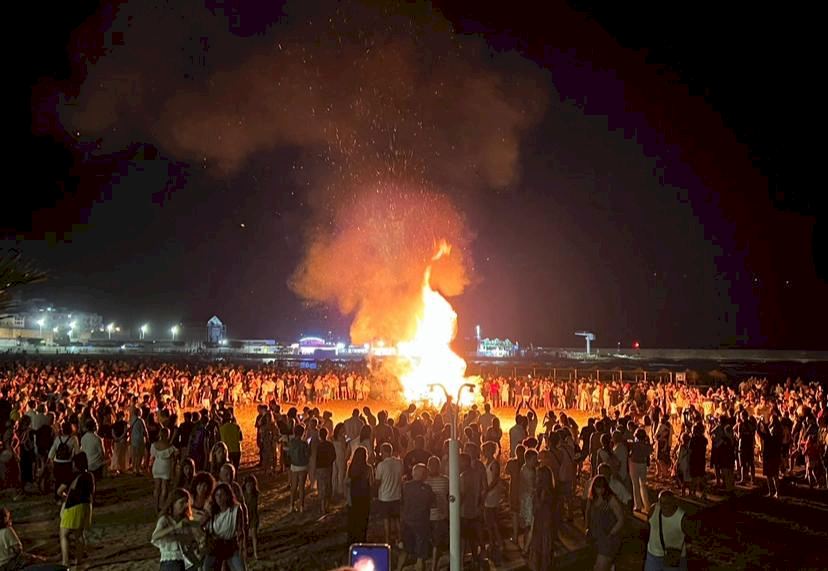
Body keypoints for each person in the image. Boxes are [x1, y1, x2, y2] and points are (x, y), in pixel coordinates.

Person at [58, 452, 95, 568]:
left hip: (73, 506)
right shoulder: (90, 476)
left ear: (76, 464)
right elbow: (92, 492)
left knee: (64, 534)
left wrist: (64, 496)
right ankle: (78, 560)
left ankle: (65, 561)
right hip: (86, 506)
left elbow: (59, 491)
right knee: (79, 534)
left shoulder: (73, 475)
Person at [396, 463, 434, 571]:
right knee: (420, 555)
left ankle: (398, 569)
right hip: (422, 524)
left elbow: (401, 502)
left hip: (407, 522)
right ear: (424, 475)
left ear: (413, 473)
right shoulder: (427, 489)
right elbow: (433, 503)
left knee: (405, 550)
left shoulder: (405, 486)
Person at [151, 488, 200, 571]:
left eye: (186, 502)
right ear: (173, 503)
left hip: (188, 560)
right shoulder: (165, 519)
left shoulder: (185, 520)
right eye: (181, 502)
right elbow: (155, 536)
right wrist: (175, 527)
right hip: (171, 561)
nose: (185, 505)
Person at [202, 483, 246, 571]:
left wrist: (242, 548)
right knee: (206, 568)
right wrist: (208, 515)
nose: (219, 498)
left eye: (221, 495)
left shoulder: (235, 509)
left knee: (240, 569)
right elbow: (201, 525)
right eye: (217, 495)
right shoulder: (212, 511)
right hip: (215, 545)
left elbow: (240, 530)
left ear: (227, 496)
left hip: (230, 545)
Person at [585, 475, 625, 571]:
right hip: (596, 537)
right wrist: (587, 528)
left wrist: (610, 533)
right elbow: (587, 513)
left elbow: (621, 519)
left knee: (599, 568)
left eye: (602, 487)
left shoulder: (610, 499)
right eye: (597, 487)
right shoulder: (592, 499)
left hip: (608, 540)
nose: (600, 490)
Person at [644, 490, 688, 571]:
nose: (665, 506)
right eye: (662, 503)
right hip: (654, 554)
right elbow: (648, 527)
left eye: (668, 503)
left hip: (673, 557)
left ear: (674, 502)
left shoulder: (682, 518)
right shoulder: (654, 509)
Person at [375, 442, 403, 546]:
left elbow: (378, 481)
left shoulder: (381, 465)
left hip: (385, 496)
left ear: (384, 452)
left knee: (386, 519)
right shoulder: (399, 463)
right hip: (396, 495)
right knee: (396, 519)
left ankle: (387, 540)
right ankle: (399, 539)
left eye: (381, 452)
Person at [528, 465, 556, 571]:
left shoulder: (543, 492)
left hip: (543, 525)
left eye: (537, 476)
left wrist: (535, 496)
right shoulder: (549, 491)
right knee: (543, 553)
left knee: (540, 552)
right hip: (543, 524)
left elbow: (537, 508)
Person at [424, 456, 448, 571]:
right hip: (428, 516)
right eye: (431, 465)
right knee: (432, 543)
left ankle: (433, 567)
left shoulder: (445, 480)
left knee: (436, 543)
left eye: (435, 465)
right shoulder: (425, 481)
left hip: (438, 517)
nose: (433, 467)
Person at [345, 446, 374, 546]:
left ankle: (352, 539)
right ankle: (362, 539)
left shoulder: (351, 467)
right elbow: (371, 483)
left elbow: (347, 482)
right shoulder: (368, 468)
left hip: (354, 496)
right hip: (364, 497)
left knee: (353, 519)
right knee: (363, 519)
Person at [481, 440, 503, 563]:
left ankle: (497, 541)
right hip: (488, 492)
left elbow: (495, 479)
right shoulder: (486, 463)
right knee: (489, 519)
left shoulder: (494, 464)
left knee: (492, 519)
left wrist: (487, 490)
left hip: (492, 493)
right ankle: (494, 541)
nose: (484, 452)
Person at [151, 428, 178, 512]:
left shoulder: (154, 445)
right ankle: (162, 505)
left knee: (157, 487)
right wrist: (173, 471)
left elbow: (152, 456)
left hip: (156, 465)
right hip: (165, 466)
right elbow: (174, 459)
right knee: (164, 487)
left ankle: (156, 506)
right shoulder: (170, 447)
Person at [629, 428, 653, 513]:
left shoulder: (633, 445)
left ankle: (638, 505)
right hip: (643, 464)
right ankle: (646, 505)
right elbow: (650, 452)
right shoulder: (646, 446)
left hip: (634, 464)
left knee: (635, 485)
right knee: (643, 485)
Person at [315, 428, 336, 515]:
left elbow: (315, 457)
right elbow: (334, 456)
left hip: (320, 468)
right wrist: (329, 462)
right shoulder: (330, 445)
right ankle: (327, 505)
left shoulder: (318, 445)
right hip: (328, 467)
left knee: (321, 485)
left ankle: (322, 506)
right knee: (328, 485)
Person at [241, 475, 260, 561]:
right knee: (245, 537)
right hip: (245, 517)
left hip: (253, 516)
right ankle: (245, 552)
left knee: (254, 535)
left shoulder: (255, 494)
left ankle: (255, 553)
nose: (250, 487)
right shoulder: (243, 495)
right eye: (248, 485)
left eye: (251, 485)